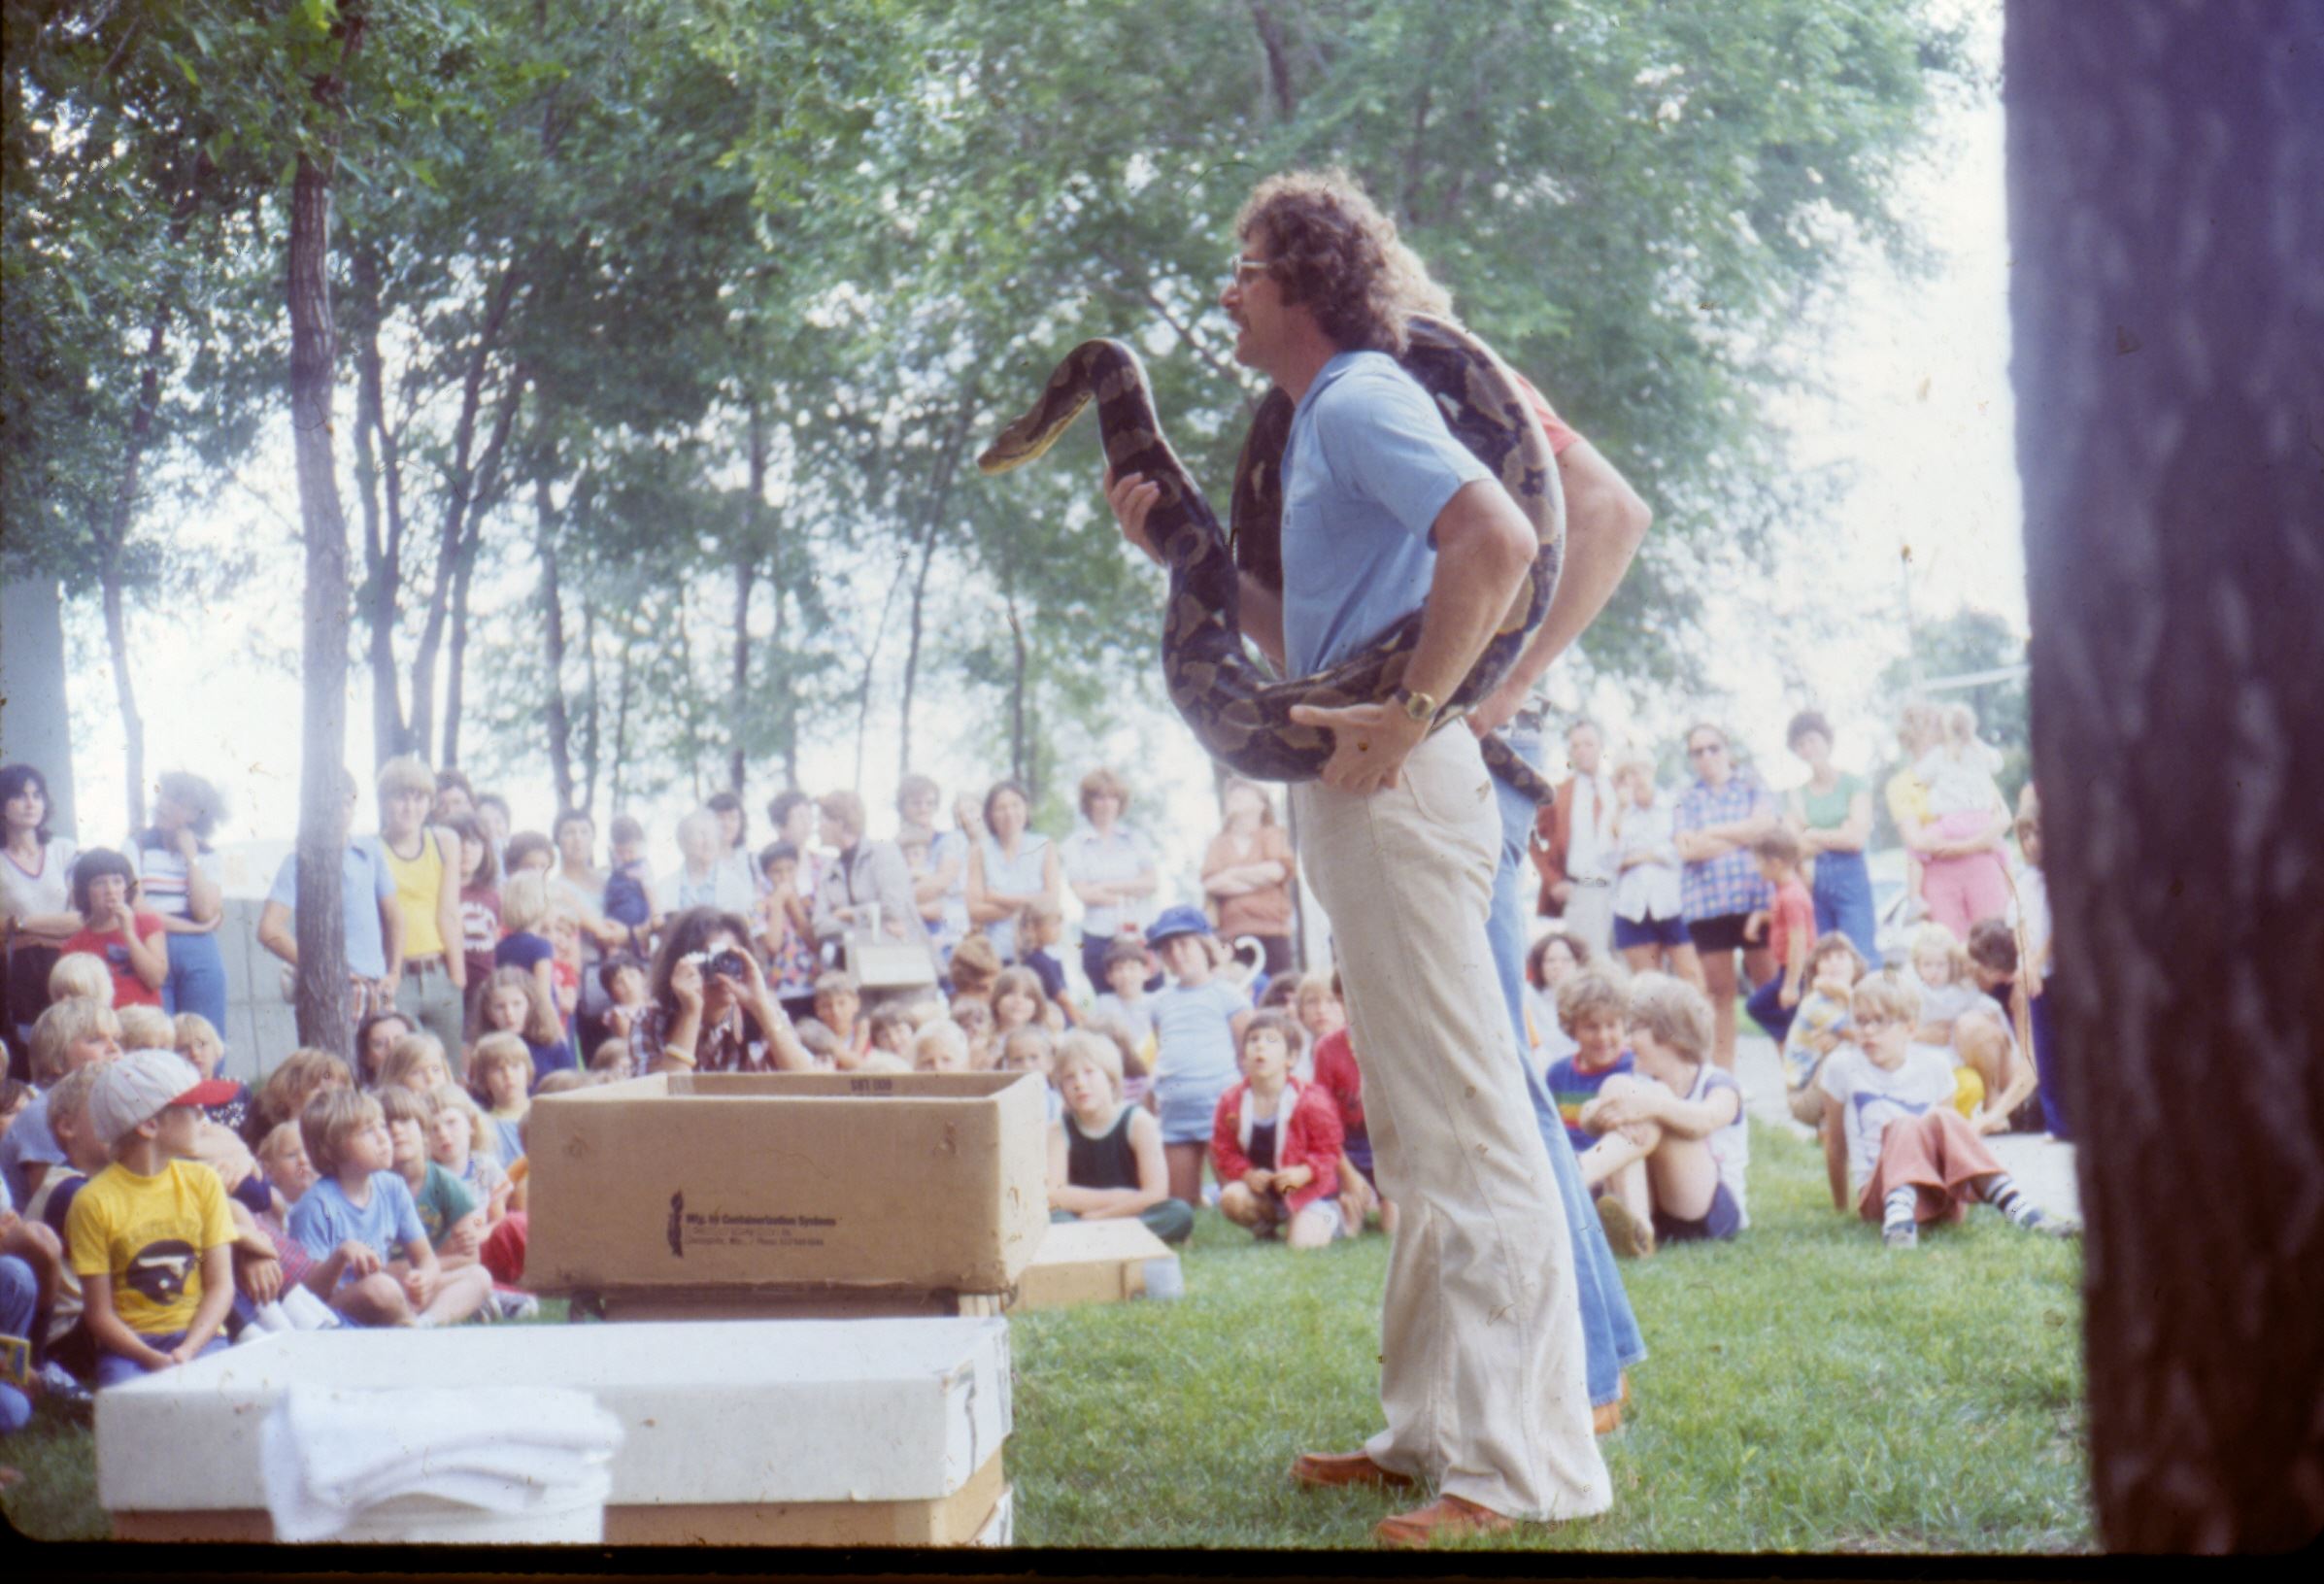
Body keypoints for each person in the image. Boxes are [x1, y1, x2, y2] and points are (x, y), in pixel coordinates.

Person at [1104, 171, 1608, 1537]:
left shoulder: (1366, 395)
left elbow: (1498, 536)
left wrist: (1421, 709)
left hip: (1398, 782)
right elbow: (1295, 638)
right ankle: (1429, 1432)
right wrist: (1176, 550)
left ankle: (1523, 1470)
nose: (1226, 289)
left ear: (1305, 286)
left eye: (1245, 266)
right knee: (1423, 1118)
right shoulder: (1326, 415)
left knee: (1467, 1122)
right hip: (1358, 781)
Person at [1819, 976, 2076, 1249]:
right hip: (1881, 1196)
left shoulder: (1935, 1065)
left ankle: (2019, 1208)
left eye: (1880, 1021)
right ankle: (1898, 1226)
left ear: (1909, 1027)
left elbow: (1951, 1147)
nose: (1868, 1031)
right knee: (1904, 1124)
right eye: (1860, 1021)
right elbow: (1836, 1144)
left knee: (1943, 1118)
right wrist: (1840, 1206)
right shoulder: (1843, 1066)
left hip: (1934, 1192)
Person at [67, 1050, 243, 1383]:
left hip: (201, 1334)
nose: (202, 1113)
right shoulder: (93, 1201)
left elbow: (221, 1285)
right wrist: (150, 1357)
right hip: (130, 1348)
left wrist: (188, 1349)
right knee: (129, 1402)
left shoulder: (203, 1182)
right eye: (190, 1107)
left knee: (222, 1395)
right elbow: (99, 1313)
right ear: (150, 1125)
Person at [1573, 973, 1746, 1259]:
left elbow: (1706, 1120)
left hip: (1707, 1211)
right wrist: (1599, 1113)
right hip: (1658, 1211)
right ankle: (1639, 1230)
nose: (1627, 1041)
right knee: (1619, 1087)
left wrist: (1653, 1105)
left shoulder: (1719, 1083)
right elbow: (1591, 1115)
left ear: (1667, 1033)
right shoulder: (1641, 1082)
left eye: (1636, 1029)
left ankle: (1577, 1175)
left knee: (1649, 1101)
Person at [287, 1087, 493, 1326]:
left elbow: (426, 1259)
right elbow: (308, 1295)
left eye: (381, 1126)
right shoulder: (315, 1206)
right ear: (330, 1149)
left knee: (479, 1276)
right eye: (367, 1131)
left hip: (391, 1293)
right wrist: (341, 1255)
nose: (384, 1138)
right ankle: (409, 1324)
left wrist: (424, 1279)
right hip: (339, 1309)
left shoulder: (392, 1187)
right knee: (380, 1286)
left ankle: (424, 1324)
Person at [1673, 722, 1779, 1072]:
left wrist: (1711, 833)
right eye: (1698, 751)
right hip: (1707, 906)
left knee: (1770, 986)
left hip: (1755, 900)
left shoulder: (1752, 786)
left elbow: (1765, 828)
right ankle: (1725, 1076)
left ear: (1727, 749)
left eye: (1713, 747)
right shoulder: (1686, 798)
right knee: (1720, 993)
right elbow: (1688, 848)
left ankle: (1793, 1073)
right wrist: (1742, 835)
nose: (1706, 757)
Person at [257, 771, 404, 1025]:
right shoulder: (298, 862)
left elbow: (394, 915)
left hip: (377, 985)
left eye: (347, 803)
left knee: (387, 1061)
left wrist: (394, 972)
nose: (340, 812)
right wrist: (322, 966)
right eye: (332, 804)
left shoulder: (369, 851)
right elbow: (269, 929)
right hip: (336, 987)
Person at [1142, 906, 1251, 1210]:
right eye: (1168, 948)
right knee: (1179, 1206)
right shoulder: (1159, 1002)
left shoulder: (1228, 995)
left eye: (1184, 944)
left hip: (1220, 1108)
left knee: (1239, 1200)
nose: (1177, 953)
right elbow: (1164, 1052)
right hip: (1176, 1111)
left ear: (1204, 945)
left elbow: (1247, 1052)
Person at [1210, 1011, 1344, 1250]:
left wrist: (1305, 1172)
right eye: (1253, 1040)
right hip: (1267, 1190)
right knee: (1231, 1198)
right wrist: (1246, 1174)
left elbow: (1330, 1151)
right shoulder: (1231, 1101)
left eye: (1271, 1040)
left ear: (1290, 1058)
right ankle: (1267, 1224)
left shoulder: (1311, 1100)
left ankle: (1330, 1216)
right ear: (1243, 1058)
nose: (1260, 1045)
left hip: (1304, 1188)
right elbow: (1224, 1150)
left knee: (1302, 1245)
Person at [1048, 1029, 1194, 1244]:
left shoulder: (1138, 1122)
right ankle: (1118, 1240)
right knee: (1052, 1220)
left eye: (1089, 1072)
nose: (1079, 1083)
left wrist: (1099, 1219)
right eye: (1069, 1077)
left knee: (1178, 1213)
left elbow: (1155, 1193)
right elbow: (1054, 1195)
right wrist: (1116, 1196)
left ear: (1111, 1079)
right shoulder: (1058, 1130)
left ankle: (1089, 1240)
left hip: (1129, 1214)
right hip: (1078, 1215)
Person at [629, 907, 815, 1076]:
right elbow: (661, 1104)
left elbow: (809, 1086)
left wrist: (761, 1008)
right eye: (712, 960)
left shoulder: (765, 1013)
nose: (722, 969)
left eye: (730, 959)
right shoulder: (650, 1020)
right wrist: (690, 1013)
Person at [373, 757, 469, 1060]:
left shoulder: (444, 841)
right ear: (384, 801)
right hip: (398, 977)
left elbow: (448, 912)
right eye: (401, 797)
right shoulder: (372, 849)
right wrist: (390, 975)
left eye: (419, 798)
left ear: (430, 803)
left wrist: (457, 977)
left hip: (439, 971)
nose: (410, 807)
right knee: (405, 1068)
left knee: (448, 1069)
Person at [128, 771, 230, 1029]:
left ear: (196, 815)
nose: (163, 804)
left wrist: (191, 858)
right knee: (158, 1032)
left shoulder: (208, 856)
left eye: (177, 801)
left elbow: (204, 912)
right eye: (164, 795)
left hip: (198, 951)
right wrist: (195, 929)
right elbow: (138, 908)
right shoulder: (136, 846)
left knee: (205, 1032)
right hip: (152, 942)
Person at [1781, 711, 1878, 963]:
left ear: (1827, 740)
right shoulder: (1796, 794)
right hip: (1813, 877)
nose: (1808, 749)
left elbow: (1856, 839)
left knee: (1860, 952)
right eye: (1800, 744)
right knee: (1822, 955)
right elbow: (1793, 847)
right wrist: (1838, 834)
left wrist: (1812, 832)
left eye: (1812, 740)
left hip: (1851, 874)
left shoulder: (1853, 784)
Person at [1, 762, 81, 1057]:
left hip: (69, 966)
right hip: (17, 973)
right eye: (20, 796)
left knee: (71, 1045)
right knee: (29, 1052)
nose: (30, 803)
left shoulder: (64, 850)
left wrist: (20, 925)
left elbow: (80, 918)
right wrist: (51, 928)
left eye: (36, 795)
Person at [1061, 768, 1161, 992]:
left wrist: (1105, 886)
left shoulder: (1136, 839)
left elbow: (1151, 883)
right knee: (1106, 999)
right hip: (1099, 934)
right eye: (1099, 797)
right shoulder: (1074, 844)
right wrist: (1128, 894)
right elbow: (1084, 894)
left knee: (1152, 993)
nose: (1106, 804)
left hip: (1140, 931)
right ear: (1088, 802)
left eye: (1112, 797)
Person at [1607, 750, 1698, 986]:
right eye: (1625, 776)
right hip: (1632, 907)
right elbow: (1610, 861)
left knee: (1692, 977)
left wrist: (1641, 856)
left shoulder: (1674, 805)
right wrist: (1618, 814)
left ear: (1651, 771)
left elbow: (1681, 851)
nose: (1633, 780)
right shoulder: (1617, 814)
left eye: (1638, 772)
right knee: (1648, 986)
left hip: (1674, 903)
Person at [1533, 720, 1619, 957]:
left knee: (1627, 966)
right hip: (1584, 887)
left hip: (1623, 888)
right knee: (1590, 963)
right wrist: (1553, 880)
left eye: (1588, 744)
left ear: (1602, 747)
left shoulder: (1617, 788)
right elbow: (1533, 838)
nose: (1582, 750)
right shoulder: (1558, 794)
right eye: (1576, 745)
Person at [1199, 779, 1298, 978]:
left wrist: (1231, 874)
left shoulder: (1272, 834)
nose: (1235, 797)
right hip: (1232, 934)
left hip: (1273, 931)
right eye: (1232, 795)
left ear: (1261, 804)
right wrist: (1258, 880)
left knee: (1278, 994)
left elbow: (1277, 871)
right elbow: (1211, 883)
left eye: (1243, 793)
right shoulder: (1218, 843)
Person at [810, 791, 926, 954]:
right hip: (853, 963)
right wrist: (872, 921)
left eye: (820, 820)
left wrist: (850, 914)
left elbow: (893, 909)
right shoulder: (828, 872)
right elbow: (820, 926)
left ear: (839, 822)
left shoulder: (883, 852)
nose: (817, 828)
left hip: (899, 957)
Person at [1778, 933, 1870, 1127]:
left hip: (1821, 1085)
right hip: (1804, 1096)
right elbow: (1864, 1036)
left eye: (1841, 957)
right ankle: (1831, 1128)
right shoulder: (1816, 1003)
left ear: (1855, 965)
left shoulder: (1846, 999)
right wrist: (1847, 993)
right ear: (1816, 969)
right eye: (1826, 959)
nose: (1834, 964)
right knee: (1849, 1052)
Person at [58, 850, 168, 1011]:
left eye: (117, 881)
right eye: (99, 883)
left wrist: (129, 933)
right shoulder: (74, 945)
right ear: (85, 892)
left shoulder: (147, 923)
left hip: (145, 1022)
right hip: (103, 1024)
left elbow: (155, 979)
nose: (110, 890)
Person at [1543, 968, 1634, 1158]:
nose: (1602, 1037)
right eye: (1591, 1027)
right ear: (1572, 1028)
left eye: (1611, 1025)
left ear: (1624, 1024)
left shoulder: (1633, 1066)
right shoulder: (1557, 1075)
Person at [1740, 828, 1818, 1049]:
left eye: (1758, 862)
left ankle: (1797, 1046)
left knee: (1758, 1006)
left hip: (1798, 971)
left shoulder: (1792, 895)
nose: (1756, 869)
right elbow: (1779, 919)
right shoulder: (1784, 891)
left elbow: (1799, 942)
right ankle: (1795, 1044)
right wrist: (1758, 918)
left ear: (1774, 863)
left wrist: (1791, 986)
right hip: (1789, 970)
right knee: (1759, 1007)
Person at [966, 780, 1057, 964]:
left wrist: (997, 898)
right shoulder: (980, 851)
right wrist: (1031, 903)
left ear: (1026, 808)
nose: (1009, 814)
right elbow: (974, 910)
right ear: (990, 815)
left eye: (1016, 805)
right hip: (994, 953)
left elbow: (1051, 901)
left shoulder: (1044, 845)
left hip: (1038, 950)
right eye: (1000, 808)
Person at [470, 966, 574, 1085]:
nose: (509, 1013)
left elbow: (572, 1086)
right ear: (488, 1011)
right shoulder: (484, 1053)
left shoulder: (552, 1045)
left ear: (530, 1005)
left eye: (517, 1004)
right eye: (500, 1007)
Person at [426, 1084, 512, 1226]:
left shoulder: (484, 1167)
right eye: (433, 1129)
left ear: (471, 1124)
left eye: (451, 1122)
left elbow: (499, 1221)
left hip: (487, 1240)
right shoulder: (428, 1177)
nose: (443, 1134)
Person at [756, 841, 821, 1021]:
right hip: (779, 989)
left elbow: (814, 943)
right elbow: (772, 946)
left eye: (790, 869)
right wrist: (778, 903)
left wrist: (793, 904)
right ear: (766, 874)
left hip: (811, 985)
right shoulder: (761, 905)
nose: (784, 876)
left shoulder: (809, 901)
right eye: (777, 871)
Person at [448, 813, 502, 1026]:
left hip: (484, 987)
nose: (466, 849)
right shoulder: (441, 892)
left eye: (474, 842)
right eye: (459, 842)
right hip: (451, 986)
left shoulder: (492, 895)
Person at [662, 810, 756, 924]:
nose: (709, 841)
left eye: (713, 835)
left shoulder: (735, 885)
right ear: (682, 842)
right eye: (702, 834)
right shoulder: (663, 888)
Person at [172, 1013, 251, 1135]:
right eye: (183, 1048)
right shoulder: (170, 1095)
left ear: (216, 1047)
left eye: (201, 1044)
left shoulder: (237, 1090)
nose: (195, 1053)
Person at [467, 1034, 533, 1167]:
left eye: (515, 1066)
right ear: (484, 1079)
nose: (508, 1075)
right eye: (498, 1069)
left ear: (527, 1070)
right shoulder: (486, 1126)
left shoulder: (544, 1112)